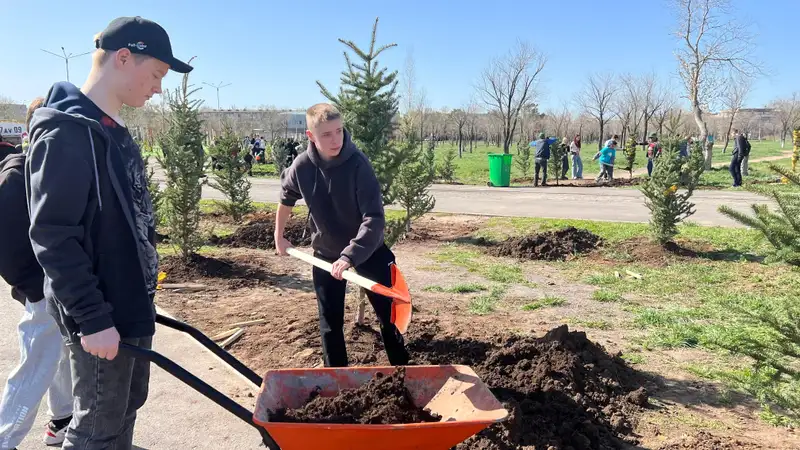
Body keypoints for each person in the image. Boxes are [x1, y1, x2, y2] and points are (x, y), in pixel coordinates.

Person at [26, 16, 192, 449]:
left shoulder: (112, 132)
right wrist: (93, 319)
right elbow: (53, 237)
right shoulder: (66, 134)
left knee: (126, 406)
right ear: (123, 58)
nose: (158, 88)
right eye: (156, 74)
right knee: (96, 426)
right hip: (101, 313)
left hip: (131, 303)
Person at [275, 103, 409, 368]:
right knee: (329, 322)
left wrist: (349, 257)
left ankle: (404, 372)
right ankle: (335, 379)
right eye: (326, 134)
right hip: (326, 254)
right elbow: (286, 197)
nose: (335, 139)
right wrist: (279, 235)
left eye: (338, 131)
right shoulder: (301, 166)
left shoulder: (359, 165)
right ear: (310, 136)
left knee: (389, 314)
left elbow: (375, 219)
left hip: (368, 250)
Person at [0, 98, 74, 450]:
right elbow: (8, 246)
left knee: (60, 356)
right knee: (35, 367)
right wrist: (36, 288)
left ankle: (62, 420)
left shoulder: (53, 167)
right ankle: (4, 438)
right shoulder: (18, 175)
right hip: (45, 288)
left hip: (65, 285)